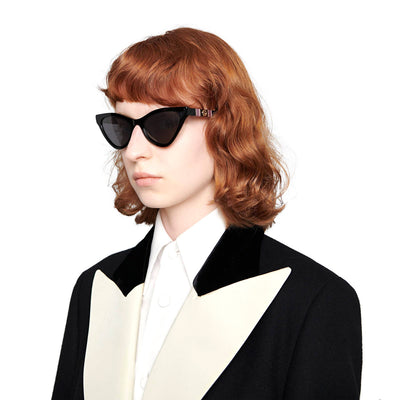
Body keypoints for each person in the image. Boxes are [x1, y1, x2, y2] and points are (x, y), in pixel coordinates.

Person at [51, 27, 362, 400]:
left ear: (226, 124)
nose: (134, 151)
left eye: (162, 123)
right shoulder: (95, 287)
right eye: (122, 126)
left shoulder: (314, 301)